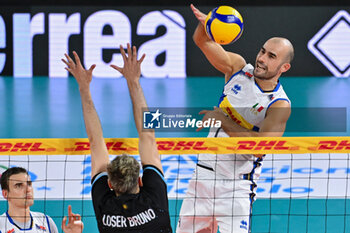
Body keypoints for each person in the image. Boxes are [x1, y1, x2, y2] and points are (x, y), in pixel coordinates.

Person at [177, 4, 293, 233]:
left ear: (284, 67)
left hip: (236, 188)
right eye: (262, 51)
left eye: (271, 56)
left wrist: (223, 119)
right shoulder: (238, 68)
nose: (261, 59)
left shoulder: (279, 104)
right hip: (202, 176)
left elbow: (259, 149)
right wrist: (208, 24)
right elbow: (203, 42)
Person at [62, 44, 172, 232]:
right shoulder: (154, 199)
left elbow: (95, 141)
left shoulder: (106, 207)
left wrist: (83, 88)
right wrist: (134, 81)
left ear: (110, 184)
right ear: (140, 180)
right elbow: (148, 134)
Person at [0, 167, 59, 233]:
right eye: (19, 185)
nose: (28, 190)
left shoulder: (45, 221)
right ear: (5, 194)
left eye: (29, 184)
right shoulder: (1, 225)